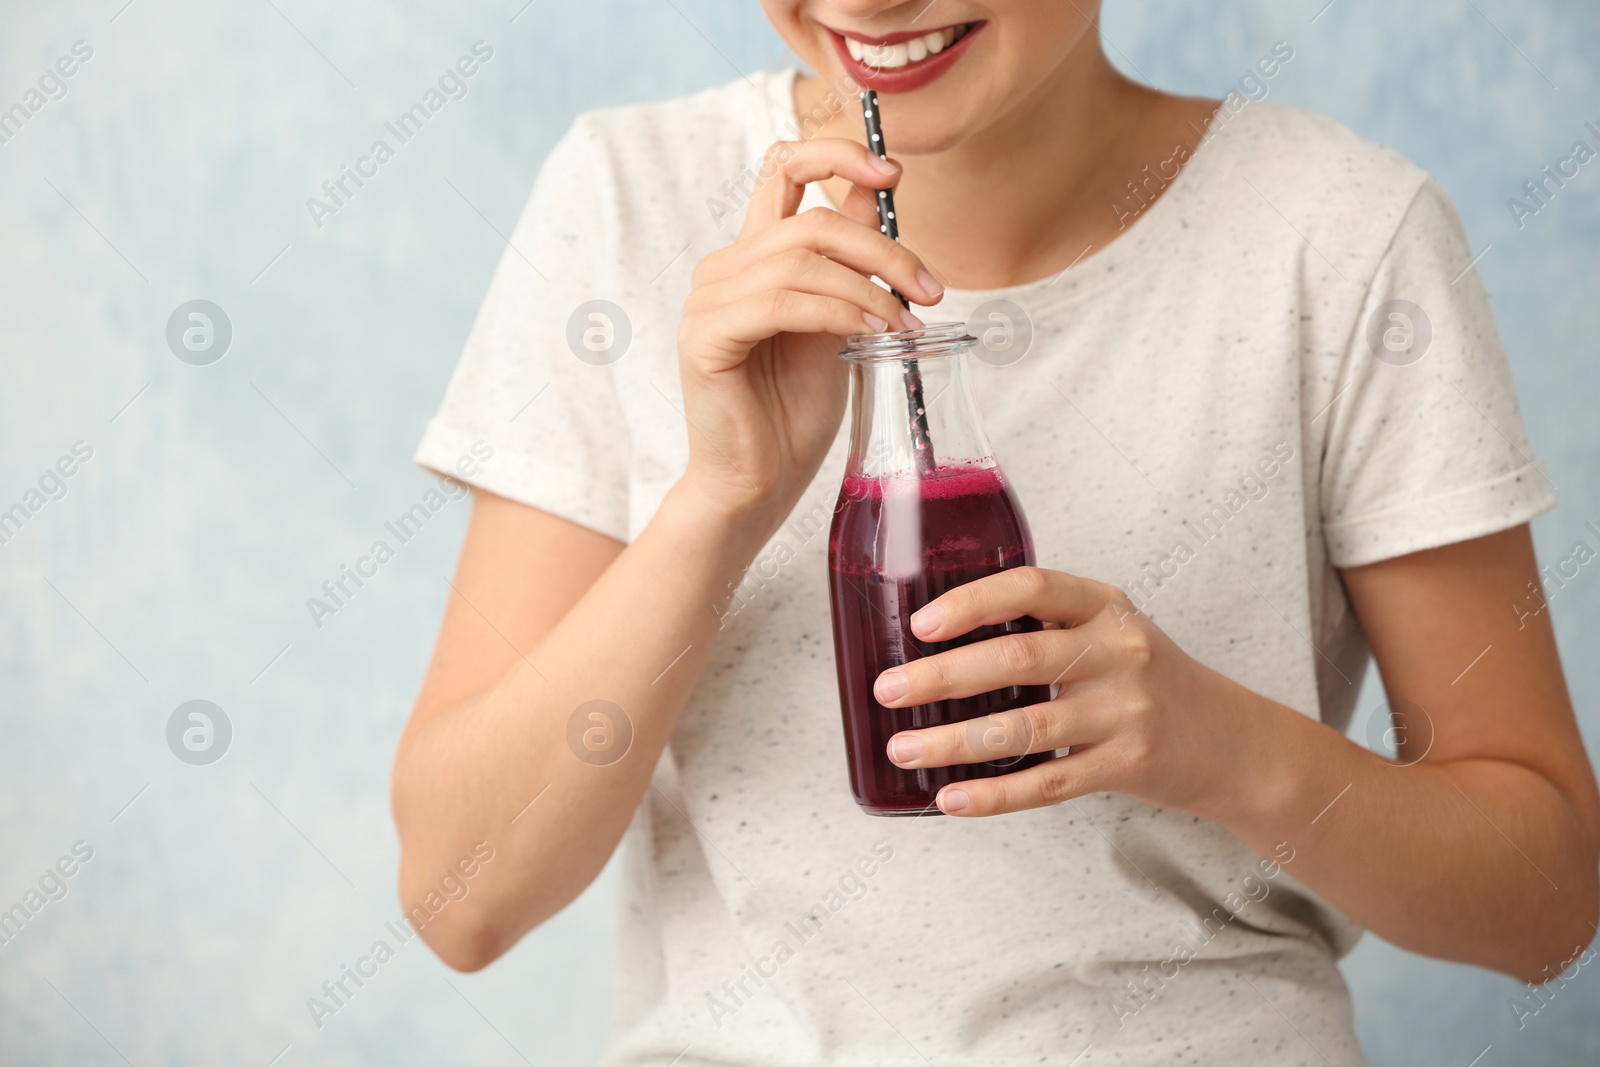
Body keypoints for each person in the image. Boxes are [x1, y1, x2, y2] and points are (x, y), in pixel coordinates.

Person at [390, 3, 1600, 1063]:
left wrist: (1218, 742)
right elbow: (464, 900)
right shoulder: (626, 196)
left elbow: (1546, 899)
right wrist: (720, 497)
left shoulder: (1340, 239)